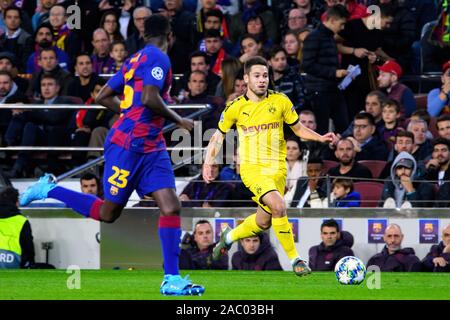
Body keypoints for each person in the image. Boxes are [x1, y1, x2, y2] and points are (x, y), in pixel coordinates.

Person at [18, 14, 204, 296]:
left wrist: (128, 112)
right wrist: (180, 120)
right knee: (108, 213)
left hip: (152, 146)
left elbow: (104, 95)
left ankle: (171, 279)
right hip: (127, 146)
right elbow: (151, 98)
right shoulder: (159, 58)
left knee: (171, 206)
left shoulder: (133, 60)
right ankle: (50, 188)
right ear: (169, 34)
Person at [203, 56, 338, 276]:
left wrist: (320, 138)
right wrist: (209, 162)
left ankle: (228, 237)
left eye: (265, 75)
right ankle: (296, 260)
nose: (262, 80)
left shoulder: (281, 101)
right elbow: (218, 137)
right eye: (257, 76)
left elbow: (298, 129)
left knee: (264, 222)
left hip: (278, 169)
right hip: (252, 169)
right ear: (246, 78)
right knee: (278, 205)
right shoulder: (235, 108)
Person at [302, 4, 350, 134]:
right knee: (321, 131)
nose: (343, 28)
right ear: (332, 20)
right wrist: (334, 72)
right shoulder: (314, 38)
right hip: (318, 91)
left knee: (343, 127)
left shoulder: (329, 38)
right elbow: (307, 65)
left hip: (332, 89)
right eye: (341, 24)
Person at [0, 186, 35, 268]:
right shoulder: (21, 221)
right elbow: (28, 247)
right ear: (16, 202)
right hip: (12, 261)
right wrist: (31, 263)